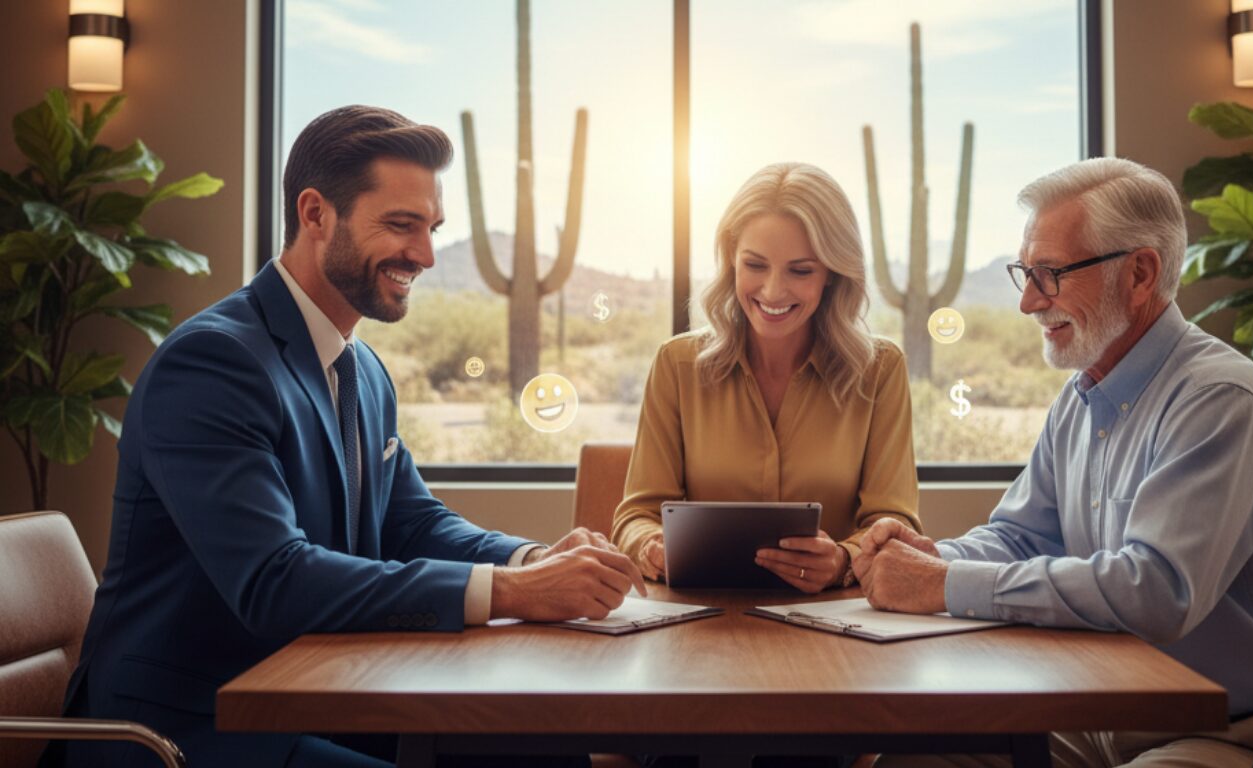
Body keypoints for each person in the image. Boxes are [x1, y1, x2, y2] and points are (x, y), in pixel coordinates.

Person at [53, 105, 644, 768]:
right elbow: (274, 580)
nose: (423, 254)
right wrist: (509, 593)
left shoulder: (362, 369)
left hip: (325, 699)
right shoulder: (211, 364)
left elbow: (411, 521)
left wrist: (530, 560)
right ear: (315, 215)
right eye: (401, 225)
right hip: (192, 732)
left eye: (431, 228)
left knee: (535, 752)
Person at [857, 157, 1253, 767]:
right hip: (1118, 721)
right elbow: (1020, 537)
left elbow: (1157, 590)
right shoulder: (1081, 396)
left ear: (1140, 275)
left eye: (1049, 275)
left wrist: (941, 586)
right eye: (1026, 274)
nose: (1027, 304)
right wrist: (926, 557)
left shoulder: (1218, 400)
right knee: (918, 759)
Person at [613, 161, 920, 592]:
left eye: (801, 270)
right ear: (731, 262)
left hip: (833, 626)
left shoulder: (881, 370)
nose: (773, 291)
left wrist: (841, 561)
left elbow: (895, 521)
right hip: (700, 620)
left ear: (832, 274)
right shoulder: (677, 365)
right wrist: (651, 546)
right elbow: (635, 516)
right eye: (755, 265)